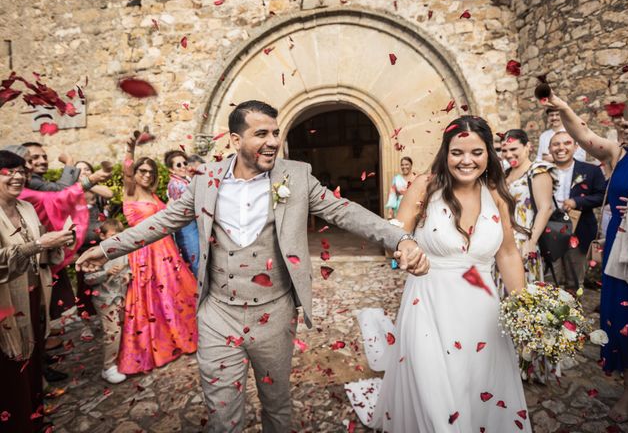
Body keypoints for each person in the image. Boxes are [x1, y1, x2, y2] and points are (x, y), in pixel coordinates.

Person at [76, 100, 427, 433]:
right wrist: (107, 249)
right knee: (222, 411)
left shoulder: (297, 176)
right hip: (218, 314)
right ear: (235, 140)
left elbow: (343, 211)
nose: (273, 141)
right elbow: (163, 221)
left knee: (276, 403)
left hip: (274, 313)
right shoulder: (205, 181)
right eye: (262, 134)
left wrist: (400, 239)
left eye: (275, 133)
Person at [346, 116, 530, 432]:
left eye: (476, 152)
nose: (467, 161)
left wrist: (525, 307)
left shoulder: (496, 194)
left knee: (476, 386)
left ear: (489, 154)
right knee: (432, 395)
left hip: (483, 312)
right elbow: (395, 240)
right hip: (428, 305)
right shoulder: (425, 186)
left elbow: (509, 253)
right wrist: (405, 250)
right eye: (458, 152)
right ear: (445, 152)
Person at [545, 93, 628, 423]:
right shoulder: (620, 153)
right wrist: (564, 108)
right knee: (626, 319)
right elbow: (583, 136)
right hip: (623, 249)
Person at [96, 134, 199, 375]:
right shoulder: (130, 190)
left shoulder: (153, 195)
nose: (146, 174)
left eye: (150, 171)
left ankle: (180, 339)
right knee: (151, 300)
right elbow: (127, 170)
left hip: (166, 249)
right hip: (145, 252)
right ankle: (157, 346)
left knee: (175, 293)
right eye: (142, 170)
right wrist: (130, 148)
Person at [0, 150, 75, 433]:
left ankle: (34, 418)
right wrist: (40, 244)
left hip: (33, 296)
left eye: (21, 171)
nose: (18, 176)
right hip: (5, 302)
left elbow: (41, 252)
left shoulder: (27, 208)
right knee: (10, 369)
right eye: (9, 172)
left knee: (32, 361)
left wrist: (60, 241)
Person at [548, 131, 606, 289]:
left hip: (579, 230)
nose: (561, 148)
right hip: (548, 230)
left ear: (575, 147)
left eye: (566, 143)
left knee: (574, 281)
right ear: (549, 148)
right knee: (549, 281)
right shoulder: (542, 171)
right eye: (556, 144)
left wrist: (577, 201)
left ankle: (574, 312)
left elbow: (603, 195)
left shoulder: (591, 171)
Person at [502, 129, 557, 283]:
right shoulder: (505, 174)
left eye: (513, 149)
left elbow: (545, 208)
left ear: (527, 147)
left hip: (524, 240)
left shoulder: (537, 171)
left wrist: (531, 242)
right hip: (502, 241)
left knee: (521, 292)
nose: (508, 154)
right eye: (504, 150)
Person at [83, 219, 130, 384]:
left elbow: (129, 268)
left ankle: (121, 360)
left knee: (123, 329)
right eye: (112, 236)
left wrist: (127, 275)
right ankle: (108, 367)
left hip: (121, 296)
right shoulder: (95, 254)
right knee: (112, 332)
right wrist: (106, 273)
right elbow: (88, 278)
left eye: (119, 235)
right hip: (104, 298)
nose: (116, 239)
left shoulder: (123, 251)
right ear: (102, 236)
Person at [75, 160, 115, 342]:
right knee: (85, 289)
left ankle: (105, 316)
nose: (83, 172)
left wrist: (91, 182)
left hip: (103, 249)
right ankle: (86, 325)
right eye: (79, 170)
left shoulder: (100, 196)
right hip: (82, 251)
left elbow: (110, 193)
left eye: (87, 169)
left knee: (106, 284)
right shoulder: (73, 195)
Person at [165, 150, 199, 275]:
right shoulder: (176, 184)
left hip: (192, 224)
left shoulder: (185, 180)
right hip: (187, 227)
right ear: (171, 169)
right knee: (196, 262)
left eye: (184, 163)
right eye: (178, 165)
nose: (183, 166)